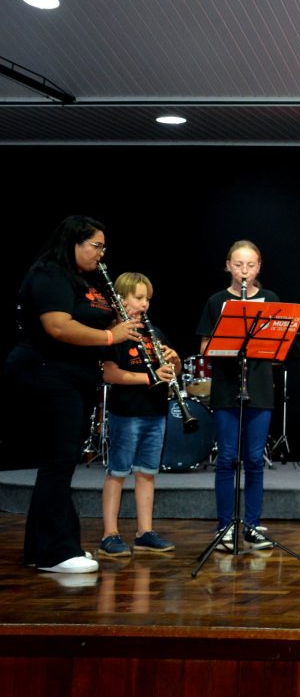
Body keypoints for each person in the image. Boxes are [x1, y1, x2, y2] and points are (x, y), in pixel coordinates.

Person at [4, 215, 141, 574]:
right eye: (96, 246)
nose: (101, 253)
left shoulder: (85, 280)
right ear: (73, 243)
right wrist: (112, 336)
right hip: (47, 373)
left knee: (59, 464)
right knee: (58, 462)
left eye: (103, 247)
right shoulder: (50, 273)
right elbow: (58, 326)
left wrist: (122, 330)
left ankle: (42, 549)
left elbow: (93, 323)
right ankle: (56, 552)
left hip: (74, 378)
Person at [195, 240, 277, 551]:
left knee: (255, 460)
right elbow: (204, 347)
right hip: (227, 389)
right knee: (227, 458)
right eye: (238, 265)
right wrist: (229, 343)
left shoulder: (270, 300)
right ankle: (225, 527)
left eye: (251, 265)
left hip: (258, 388)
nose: (244, 271)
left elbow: (276, 345)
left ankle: (252, 525)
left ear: (259, 267)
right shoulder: (217, 301)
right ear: (228, 266)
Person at [96, 273, 181, 557]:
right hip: (127, 412)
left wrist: (175, 361)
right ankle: (110, 534)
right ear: (121, 300)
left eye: (147, 299)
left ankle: (145, 532)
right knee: (118, 472)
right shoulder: (115, 333)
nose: (144, 304)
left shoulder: (153, 332)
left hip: (155, 412)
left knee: (147, 473)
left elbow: (172, 373)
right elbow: (110, 374)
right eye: (138, 298)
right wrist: (150, 378)